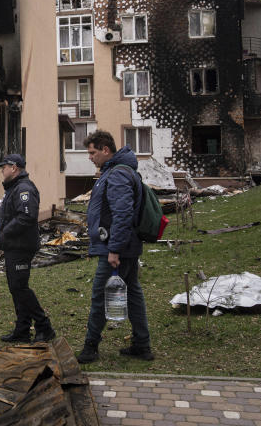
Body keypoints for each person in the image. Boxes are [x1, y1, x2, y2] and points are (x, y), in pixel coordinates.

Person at [77, 130, 153, 364]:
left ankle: (91, 347)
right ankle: (142, 344)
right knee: (133, 294)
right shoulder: (116, 171)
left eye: (92, 153)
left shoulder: (118, 174)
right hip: (124, 245)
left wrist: (114, 249)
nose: (90, 158)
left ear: (105, 150)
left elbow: (122, 214)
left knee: (100, 295)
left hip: (116, 246)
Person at [0, 153, 55, 344]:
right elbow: (6, 213)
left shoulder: (24, 189)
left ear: (14, 168)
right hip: (14, 246)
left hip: (21, 246)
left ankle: (44, 327)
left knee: (20, 288)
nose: (1, 170)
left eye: (4, 167)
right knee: (16, 288)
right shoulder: (13, 189)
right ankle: (23, 329)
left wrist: (5, 233)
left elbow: (27, 217)